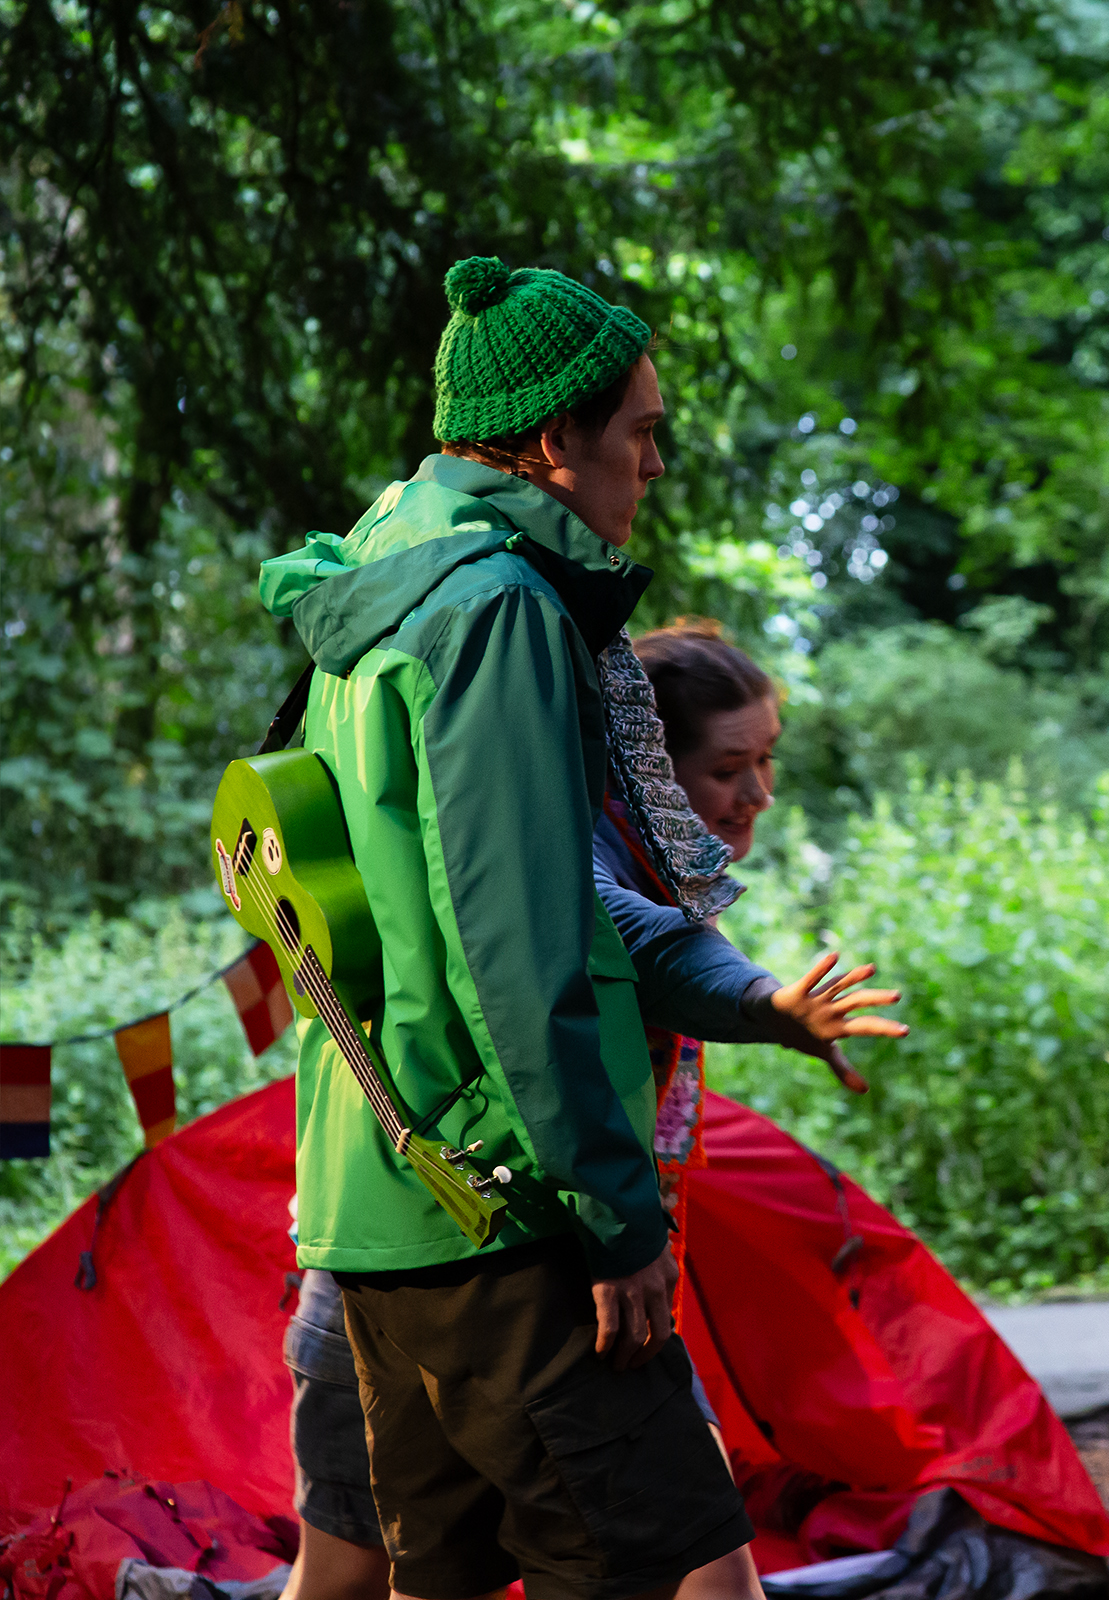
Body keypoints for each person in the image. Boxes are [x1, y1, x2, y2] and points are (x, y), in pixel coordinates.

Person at [259, 254, 746, 1600]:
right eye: (641, 433)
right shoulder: (503, 612)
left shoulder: (376, 576)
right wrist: (616, 1215)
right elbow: (515, 939)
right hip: (509, 1204)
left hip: (380, 1197)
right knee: (684, 1573)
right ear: (552, 444)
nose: (652, 464)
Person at [280, 612, 903, 1600]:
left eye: (768, 760)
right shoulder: (561, 850)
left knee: (386, 1578)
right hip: (510, 1265)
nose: (757, 794)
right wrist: (765, 1005)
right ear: (648, 763)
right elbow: (635, 943)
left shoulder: (618, 848)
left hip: (403, 1259)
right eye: (729, 766)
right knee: (676, 1566)